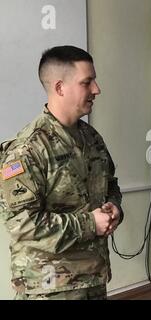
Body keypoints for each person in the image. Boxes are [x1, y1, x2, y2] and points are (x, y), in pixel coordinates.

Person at [0, 45, 123, 300]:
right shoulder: (26, 150)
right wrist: (91, 223)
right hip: (50, 288)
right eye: (87, 82)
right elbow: (23, 225)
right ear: (59, 88)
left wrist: (114, 206)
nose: (96, 89)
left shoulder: (92, 138)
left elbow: (110, 183)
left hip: (93, 278)